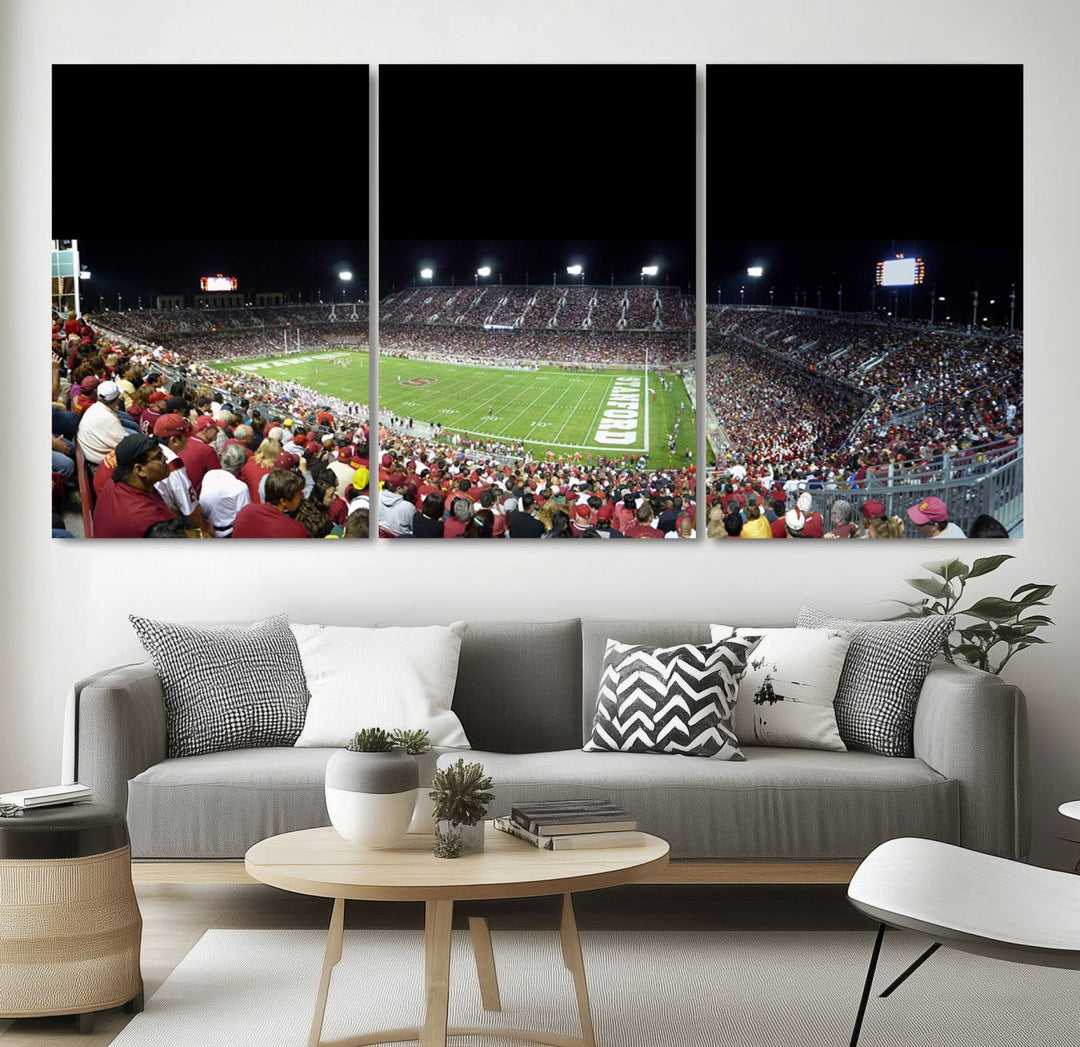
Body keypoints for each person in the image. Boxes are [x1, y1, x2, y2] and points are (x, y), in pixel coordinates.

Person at [92, 433, 176, 538]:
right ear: (140, 470)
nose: (166, 458)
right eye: (159, 457)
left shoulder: (113, 484)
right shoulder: (153, 520)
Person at [232, 468, 308, 538]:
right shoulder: (296, 530)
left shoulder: (246, 510)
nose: (302, 496)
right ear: (283, 501)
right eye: (299, 494)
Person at [198, 443, 251, 538]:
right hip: (226, 534)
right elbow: (245, 518)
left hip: (206, 527)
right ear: (242, 465)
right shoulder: (240, 487)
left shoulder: (210, 475)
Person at [77, 380, 130, 465]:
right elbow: (129, 445)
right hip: (98, 460)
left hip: (90, 451)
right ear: (116, 399)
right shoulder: (109, 419)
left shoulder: (94, 407)